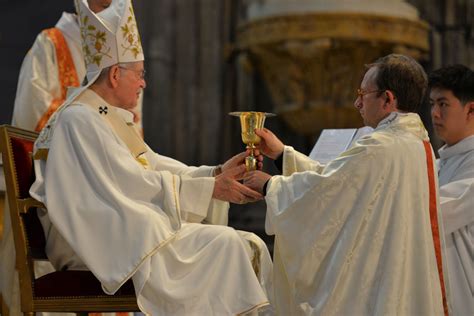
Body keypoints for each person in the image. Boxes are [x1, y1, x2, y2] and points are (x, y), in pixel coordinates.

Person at [29, 0, 272, 315]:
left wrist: (214, 174)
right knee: (226, 244)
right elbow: (130, 182)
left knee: (243, 243)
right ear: (116, 74)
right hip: (90, 240)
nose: (143, 83)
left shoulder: (104, 116)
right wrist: (210, 189)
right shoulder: (79, 118)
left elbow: (151, 165)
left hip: (114, 229)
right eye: (139, 74)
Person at [244, 54, 449, 315]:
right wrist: (283, 154)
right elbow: (334, 180)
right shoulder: (418, 144)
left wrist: (270, 186)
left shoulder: (380, 147)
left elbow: (325, 193)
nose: (357, 103)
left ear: (387, 99)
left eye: (363, 93)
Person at [1, 1, 136, 315]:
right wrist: (93, 125)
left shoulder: (123, 54)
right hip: (64, 197)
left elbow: (131, 126)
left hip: (112, 192)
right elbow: (31, 120)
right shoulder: (51, 43)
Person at [429, 65, 474, 315]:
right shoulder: (438, 163)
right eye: (432, 103)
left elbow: (437, 211)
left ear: (471, 109)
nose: (434, 113)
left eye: (443, 104)